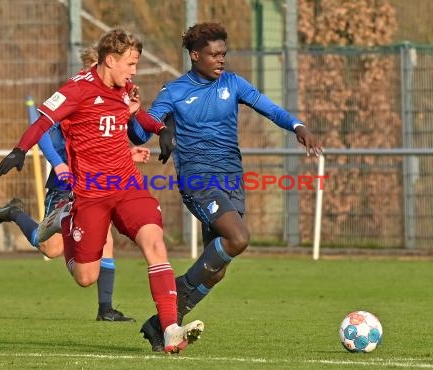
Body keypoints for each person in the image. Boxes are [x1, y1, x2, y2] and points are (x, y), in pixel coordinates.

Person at [0, 28, 204, 354]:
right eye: (131, 64)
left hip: (127, 184)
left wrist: (160, 129)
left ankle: (170, 329)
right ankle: (65, 218)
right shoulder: (77, 90)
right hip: (90, 194)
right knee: (85, 277)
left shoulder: (125, 89)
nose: (134, 71)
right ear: (110, 60)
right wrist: (20, 149)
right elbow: (43, 119)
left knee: (154, 242)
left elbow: (138, 115)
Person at [138, 22, 323, 352]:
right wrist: (159, 128)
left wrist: (298, 126)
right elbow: (142, 129)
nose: (221, 60)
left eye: (223, 54)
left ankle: (158, 326)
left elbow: (269, 108)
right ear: (195, 56)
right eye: (213, 55)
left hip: (231, 180)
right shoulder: (174, 91)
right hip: (197, 179)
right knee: (239, 237)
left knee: (217, 273)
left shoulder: (233, 84)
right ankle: (177, 289)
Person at [0, 48, 152, 323]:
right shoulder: (74, 95)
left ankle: (105, 309)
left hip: (96, 185)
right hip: (66, 184)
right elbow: (42, 132)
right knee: (50, 248)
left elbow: (107, 142)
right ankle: (16, 212)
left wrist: (130, 152)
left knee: (105, 238)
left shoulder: (116, 97)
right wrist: (58, 163)